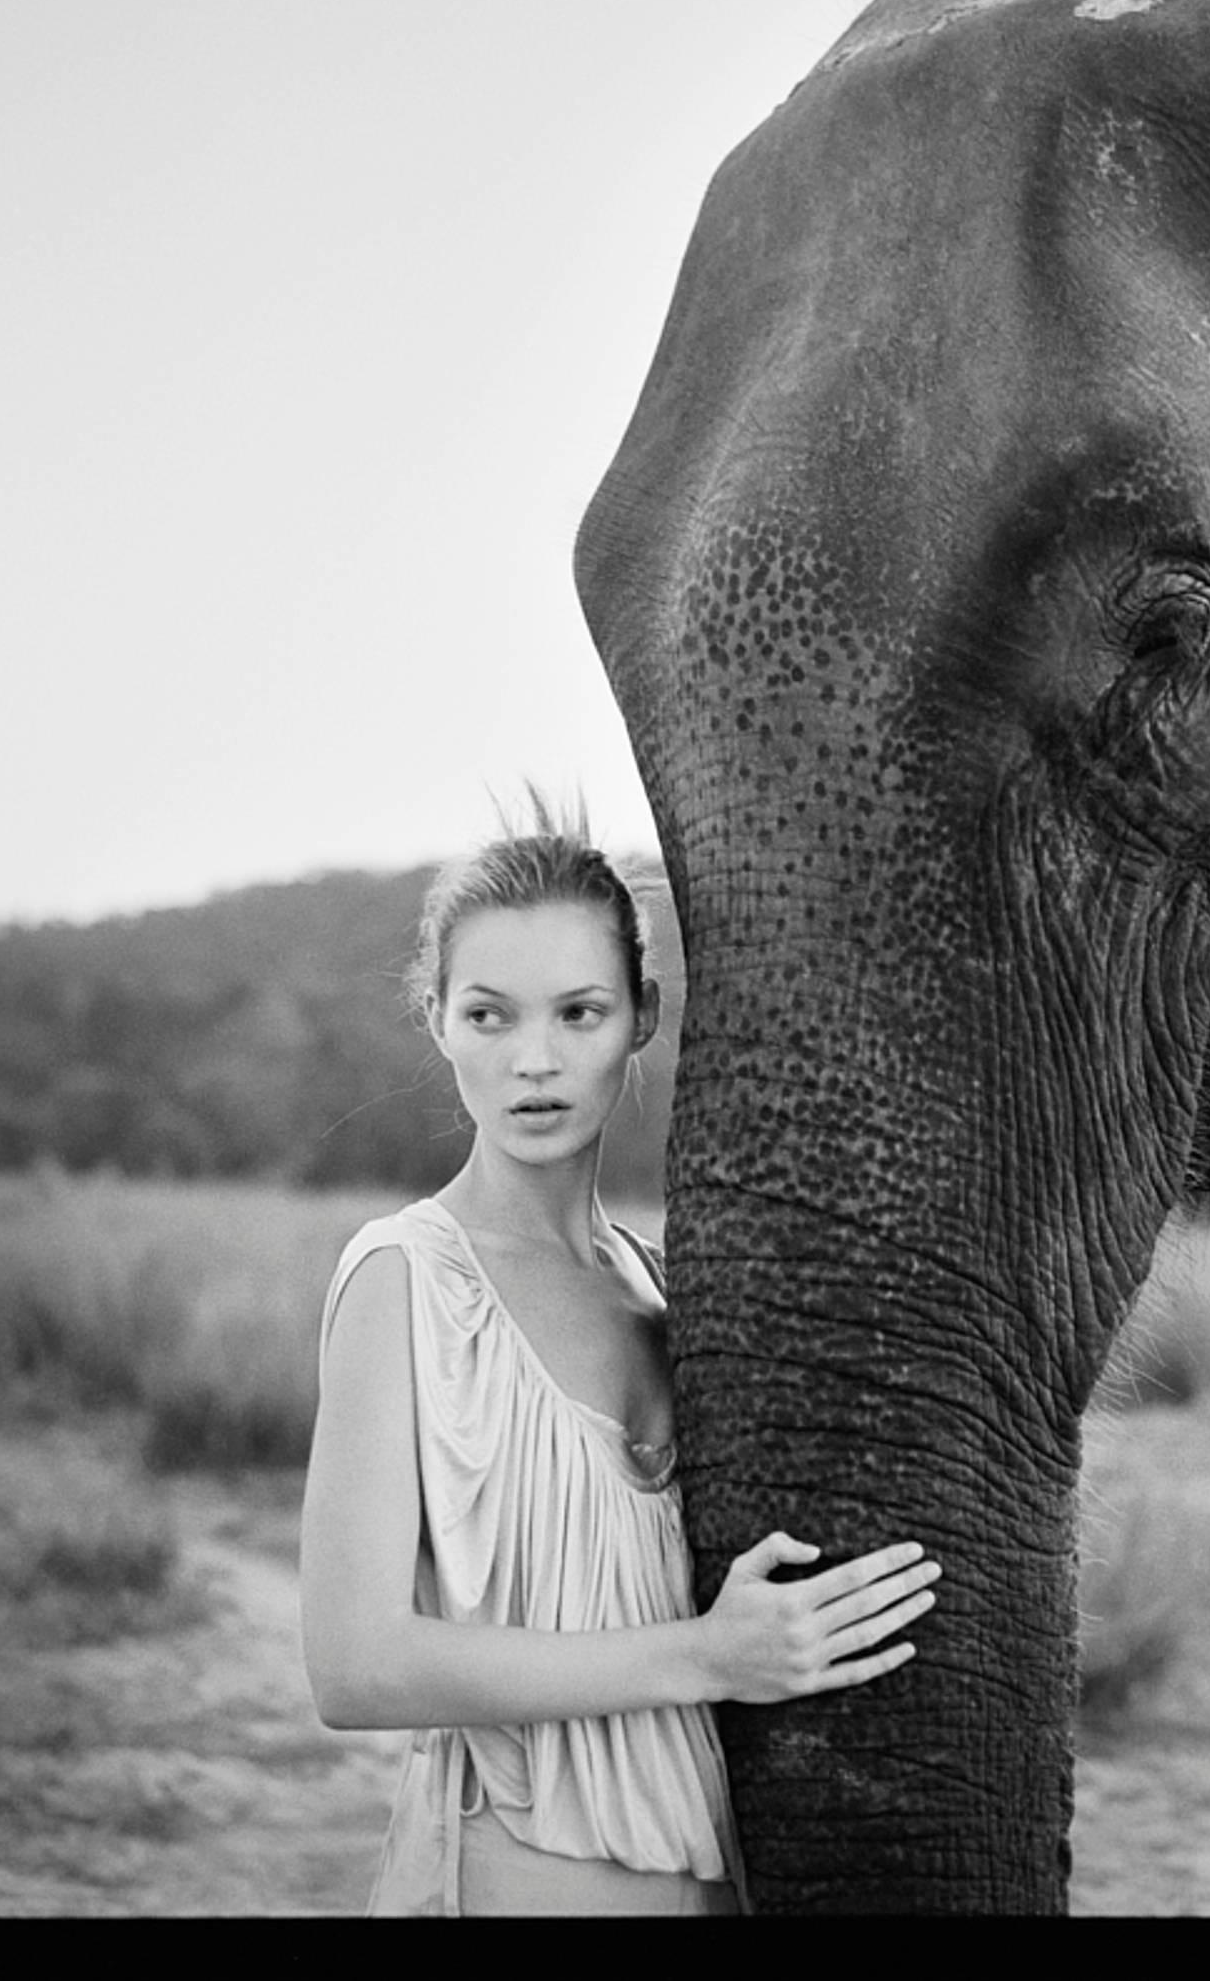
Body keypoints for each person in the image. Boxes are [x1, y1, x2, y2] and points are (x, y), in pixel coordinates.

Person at [300, 818, 938, 1915]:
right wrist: (707, 1657)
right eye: (488, 1015)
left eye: (578, 1012)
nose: (533, 1060)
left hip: (707, 1873)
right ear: (438, 1022)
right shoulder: (405, 1278)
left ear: (640, 1015)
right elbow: (354, 1666)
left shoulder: (666, 1292)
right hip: (505, 1880)